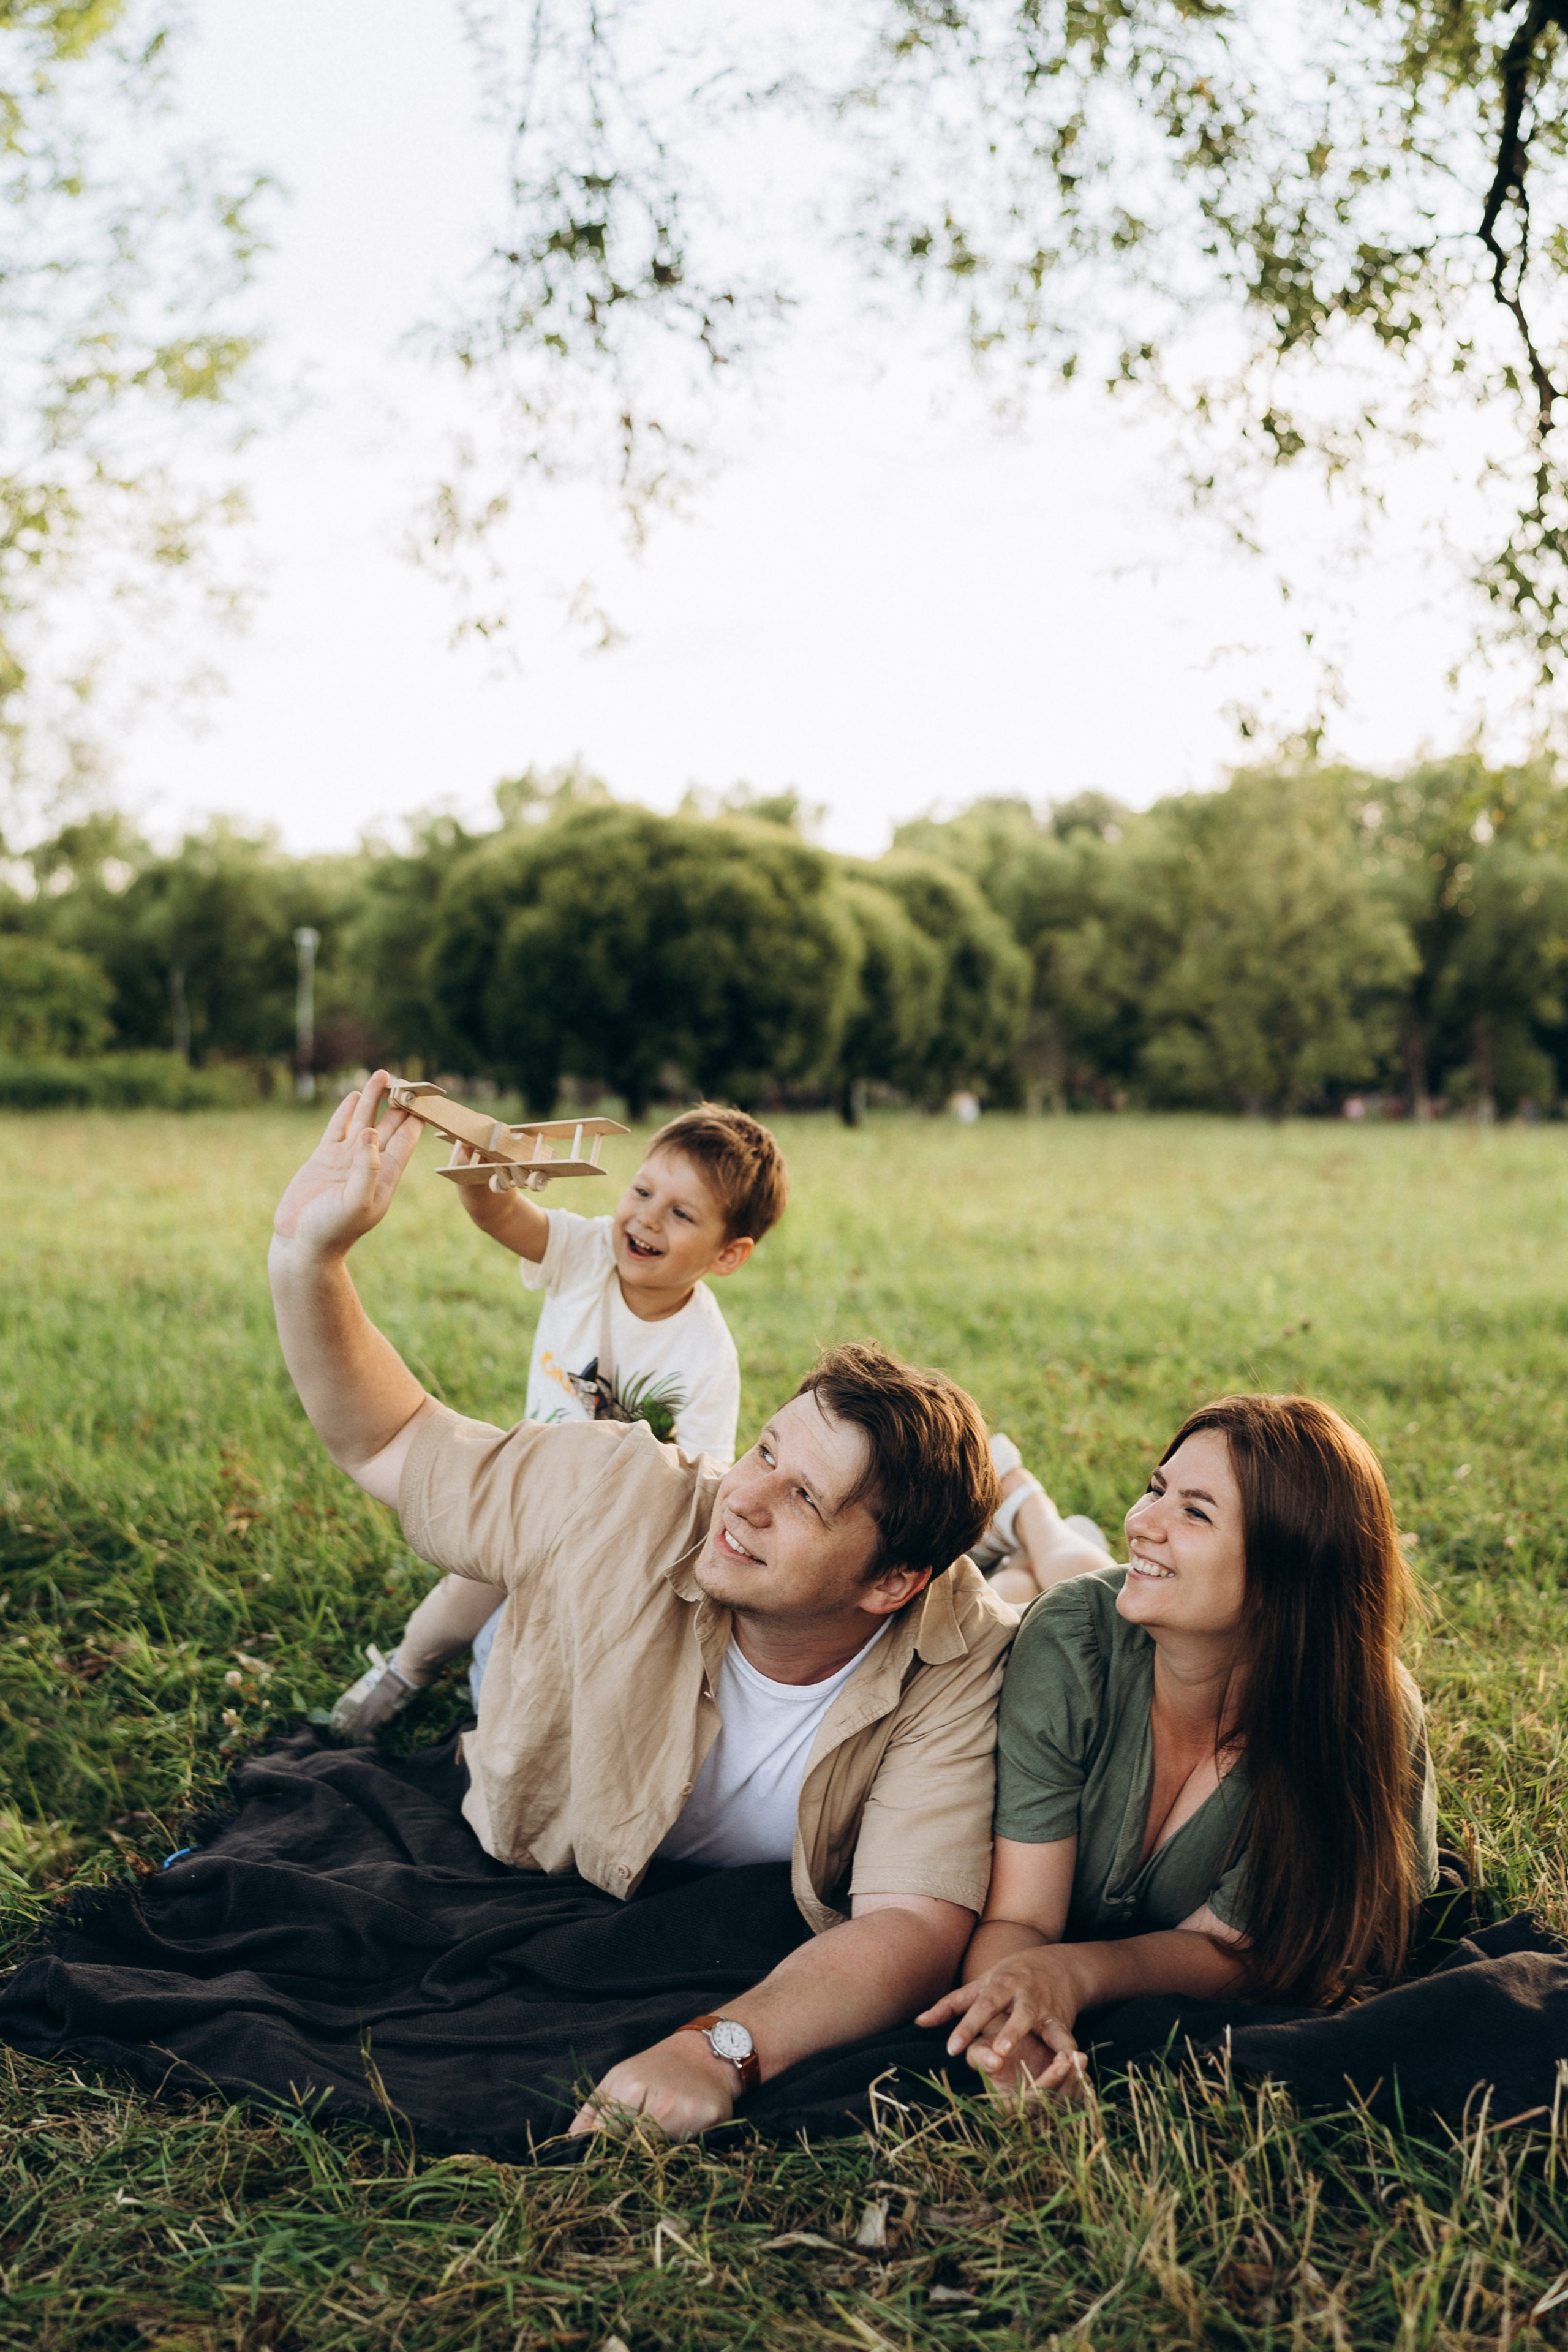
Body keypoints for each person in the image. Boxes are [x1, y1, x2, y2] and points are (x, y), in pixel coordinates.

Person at [270, 1072, 1017, 2139]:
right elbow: (388, 1440)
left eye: (801, 1495)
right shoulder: (631, 1489)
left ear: (894, 1582)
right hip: (535, 1804)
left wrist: (718, 2048)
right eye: (764, 1449)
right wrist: (308, 1258)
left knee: (1057, 1585)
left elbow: (912, 1923)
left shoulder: (956, 1657)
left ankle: (1026, 1513)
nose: (742, 1498)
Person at [919, 1393, 1439, 2094]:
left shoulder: (1354, 1716)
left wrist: (1075, 1972)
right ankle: (1031, 1520)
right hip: (1086, 1619)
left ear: (1285, 1574)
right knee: (1033, 1598)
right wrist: (1012, 2038)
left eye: (1194, 1511)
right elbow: (1020, 1918)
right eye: (1154, 1489)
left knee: (1057, 1583)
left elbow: (1246, 1950)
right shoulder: (1071, 1642)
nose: (1141, 1522)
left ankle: (1030, 1526)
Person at [330, 1100, 788, 1736]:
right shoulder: (585, 1251)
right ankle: (405, 1672)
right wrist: (485, 1181)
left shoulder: (706, 1353)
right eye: (643, 1190)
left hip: (612, 1527)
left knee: (569, 1637)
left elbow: (703, 1477)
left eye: (681, 1213)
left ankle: (530, 1713)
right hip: (529, 1485)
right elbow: (505, 1217)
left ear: (727, 1255)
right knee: (467, 1591)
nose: (647, 1218)